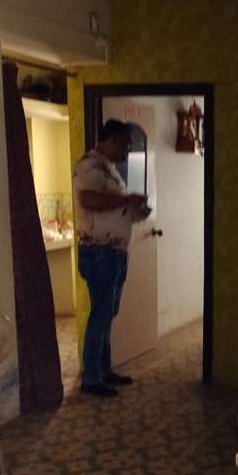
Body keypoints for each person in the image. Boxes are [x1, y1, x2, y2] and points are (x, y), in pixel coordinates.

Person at [73, 119, 150, 397]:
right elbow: (88, 200)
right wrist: (127, 200)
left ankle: (103, 371)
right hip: (99, 252)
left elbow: (112, 208)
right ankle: (91, 378)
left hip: (113, 252)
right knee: (101, 314)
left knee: (107, 314)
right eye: (125, 145)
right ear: (111, 140)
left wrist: (135, 211)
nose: (127, 150)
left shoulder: (109, 168)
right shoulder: (90, 165)